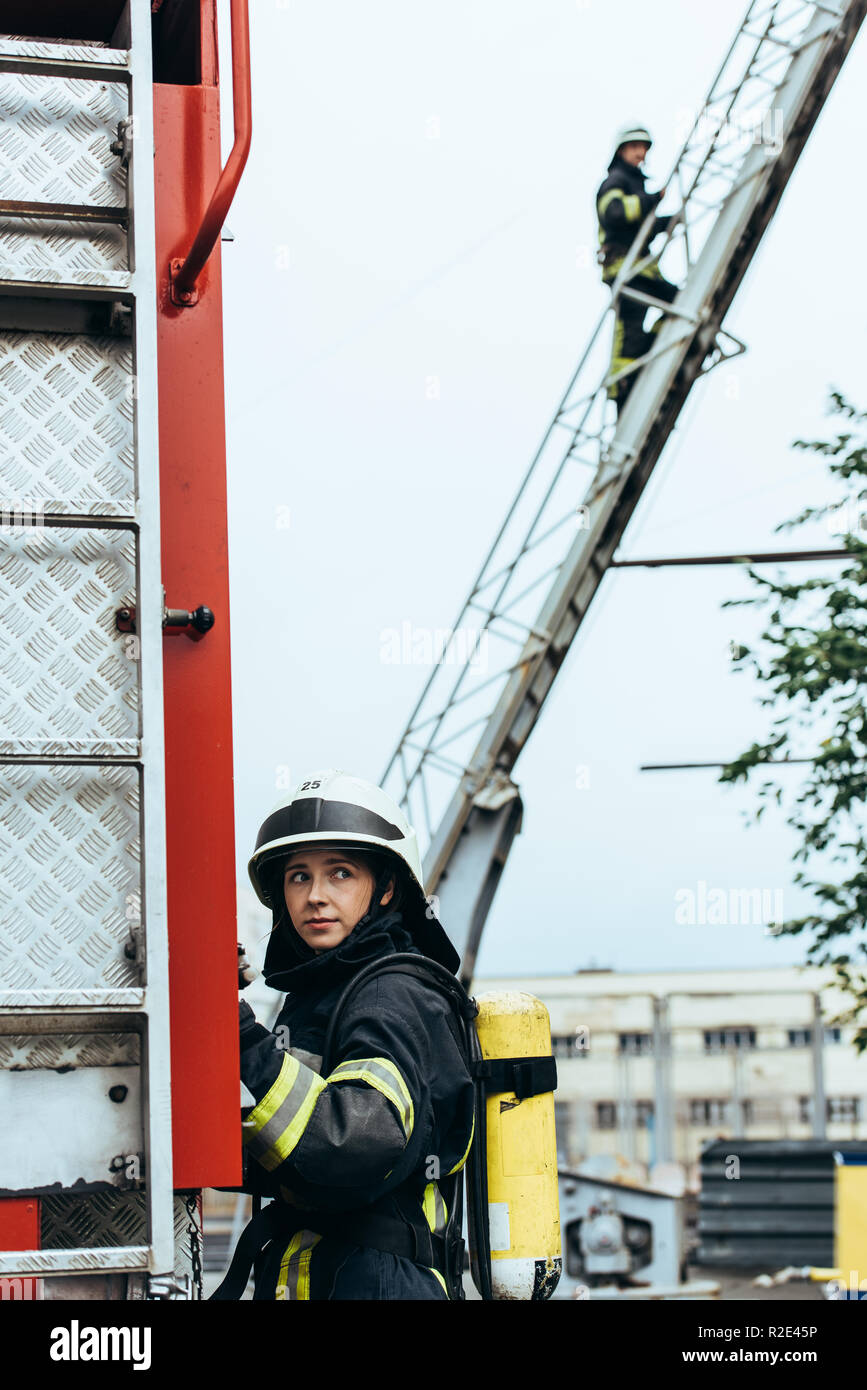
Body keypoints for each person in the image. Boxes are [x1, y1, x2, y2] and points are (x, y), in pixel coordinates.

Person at [216, 769, 475, 1301]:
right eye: (298, 877)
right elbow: (295, 1137)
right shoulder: (323, 994)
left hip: (380, 1282)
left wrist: (237, 1030)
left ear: (384, 888)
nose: (315, 896)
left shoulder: (391, 995)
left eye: (339, 873)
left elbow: (356, 1145)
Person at [596, 124, 679, 410]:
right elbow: (616, 214)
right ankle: (623, 387)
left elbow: (639, 227)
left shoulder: (634, 184)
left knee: (678, 303)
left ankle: (650, 350)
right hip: (624, 269)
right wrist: (652, 200)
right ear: (622, 150)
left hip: (641, 269)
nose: (641, 153)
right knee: (629, 331)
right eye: (635, 147)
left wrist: (666, 221)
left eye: (643, 148)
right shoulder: (616, 180)